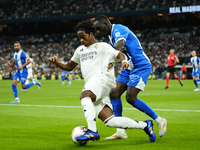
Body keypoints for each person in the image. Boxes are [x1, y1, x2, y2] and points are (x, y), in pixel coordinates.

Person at [48, 20, 156, 143]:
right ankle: (145, 125)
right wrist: (57, 63)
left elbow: (120, 54)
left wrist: (124, 61)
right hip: (94, 86)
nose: (82, 40)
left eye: (83, 37)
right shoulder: (79, 50)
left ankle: (92, 131)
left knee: (84, 95)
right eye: (79, 38)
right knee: (110, 121)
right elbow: (69, 67)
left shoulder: (103, 47)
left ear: (91, 34)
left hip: (102, 80)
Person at [93, 15, 167, 139]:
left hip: (140, 65)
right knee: (114, 93)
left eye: (99, 28)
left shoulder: (118, 29)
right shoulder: (110, 36)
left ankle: (159, 120)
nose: (98, 32)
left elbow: (120, 45)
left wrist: (115, 59)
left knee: (130, 97)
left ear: (106, 24)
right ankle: (120, 131)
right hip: (129, 67)